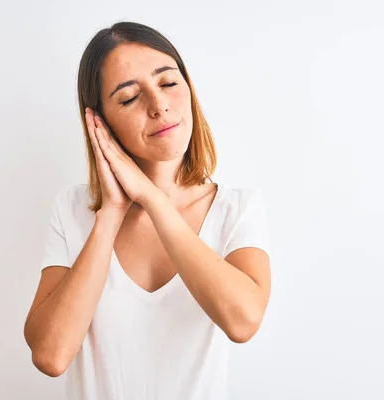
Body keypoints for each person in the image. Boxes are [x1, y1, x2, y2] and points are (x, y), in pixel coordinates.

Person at [23, 21, 272, 400]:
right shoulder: (73, 210)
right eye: (128, 98)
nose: (159, 106)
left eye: (168, 83)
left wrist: (153, 200)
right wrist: (111, 212)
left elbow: (242, 321)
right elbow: (51, 355)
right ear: (100, 123)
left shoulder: (236, 209)